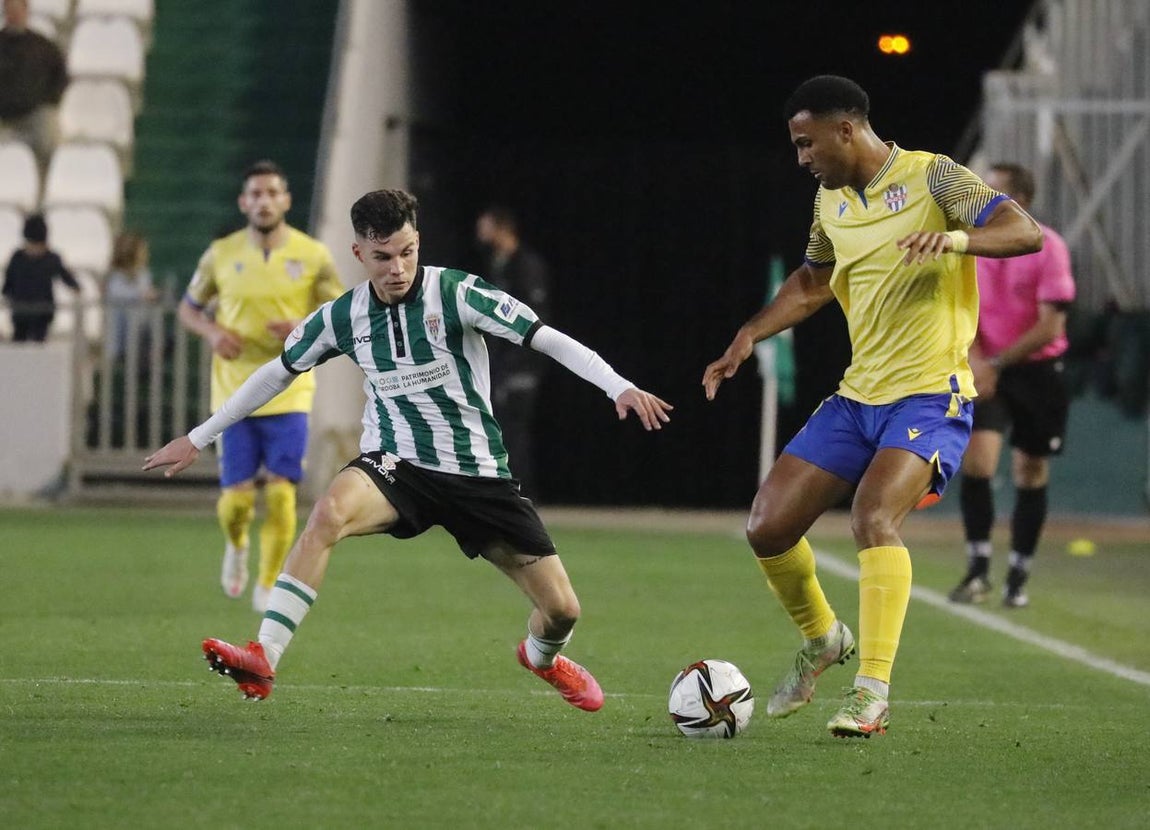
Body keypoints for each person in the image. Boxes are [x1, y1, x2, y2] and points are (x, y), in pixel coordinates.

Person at [144, 188, 672, 710]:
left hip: (477, 475)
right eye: (382, 257)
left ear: (418, 241)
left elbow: (545, 337)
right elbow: (276, 373)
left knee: (562, 612)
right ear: (359, 254)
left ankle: (541, 659)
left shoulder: (459, 294)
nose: (397, 267)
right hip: (398, 466)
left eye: (407, 252)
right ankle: (264, 657)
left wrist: (617, 385)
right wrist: (197, 437)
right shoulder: (341, 317)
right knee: (327, 513)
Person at [702, 76, 1042, 738]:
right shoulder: (830, 201)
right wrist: (748, 334)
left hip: (930, 393)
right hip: (858, 397)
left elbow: (1023, 231)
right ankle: (824, 639)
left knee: (872, 516)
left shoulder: (935, 177)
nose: (801, 158)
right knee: (767, 527)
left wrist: (957, 241)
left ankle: (872, 692)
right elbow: (812, 283)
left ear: (847, 129)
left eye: (807, 143)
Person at [177, 160, 344, 613]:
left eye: (272, 192)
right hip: (233, 394)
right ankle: (236, 547)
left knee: (282, 492)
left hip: (289, 391)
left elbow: (343, 310)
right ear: (243, 202)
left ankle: (269, 581)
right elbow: (189, 309)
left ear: (286, 200)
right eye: (255, 193)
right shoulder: (220, 254)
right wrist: (212, 333)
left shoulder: (313, 255)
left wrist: (303, 324)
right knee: (235, 504)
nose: (264, 201)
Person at [948, 163, 1076, 609]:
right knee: (978, 464)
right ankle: (978, 570)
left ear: (1017, 200)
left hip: (1035, 369)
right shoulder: (972, 245)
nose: (979, 198)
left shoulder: (1048, 245)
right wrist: (978, 360)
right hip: (987, 365)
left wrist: (997, 362)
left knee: (1030, 470)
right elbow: (961, 309)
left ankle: (1018, 574)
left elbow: (1050, 326)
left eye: (990, 191)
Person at [474, 205, 551, 498]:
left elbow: (537, 320)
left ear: (500, 227)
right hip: (498, 366)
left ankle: (520, 496)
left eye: (485, 226)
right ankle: (500, 493)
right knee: (497, 430)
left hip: (520, 368)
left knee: (514, 432)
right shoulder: (497, 264)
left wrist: (520, 368)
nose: (480, 233)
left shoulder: (526, 266)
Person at [0, 0, 68, 173]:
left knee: (50, 132)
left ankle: (48, 183)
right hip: (2, 118)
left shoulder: (43, 46)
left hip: (34, 116)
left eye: (17, 9)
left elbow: (60, 76)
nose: (14, 14)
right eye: (10, 9)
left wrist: (49, 101)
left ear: (26, 11)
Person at [2, 212, 78, 341]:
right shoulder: (17, 258)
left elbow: (68, 279)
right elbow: (7, 286)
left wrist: (76, 288)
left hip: (42, 315)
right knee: (19, 346)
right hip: (20, 313)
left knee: (38, 346)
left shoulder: (51, 259)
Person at [104, 231, 159, 360]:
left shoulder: (143, 274)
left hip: (141, 332)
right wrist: (142, 295)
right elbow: (119, 295)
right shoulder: (115, 277)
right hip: (122, 336)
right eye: (142, 250)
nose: (146, 253)